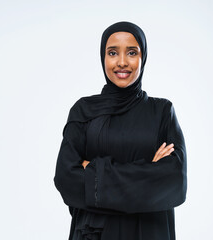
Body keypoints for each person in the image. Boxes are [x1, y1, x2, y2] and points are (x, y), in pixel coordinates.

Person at [54, 21, 187, 240]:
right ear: (102, 57)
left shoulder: (162, 111)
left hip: (149, 233)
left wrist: (92, 173)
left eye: (132, 52)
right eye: (113, 52)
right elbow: (66, 179)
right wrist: (148, 175)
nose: (122, 62)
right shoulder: (84, 110)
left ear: (143, 58)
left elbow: (174, 182)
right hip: (95, 233)